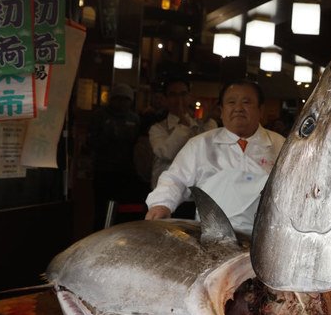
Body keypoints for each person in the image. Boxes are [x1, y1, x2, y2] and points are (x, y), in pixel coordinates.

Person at [145, 79, 285, 235]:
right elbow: (175, 179)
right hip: (212, 237)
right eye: (231, 102)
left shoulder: (282, 146)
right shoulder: (200, 144)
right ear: (222, 110)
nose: (238, 108)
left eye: (246, 102)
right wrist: (161, 205)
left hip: (267, 238)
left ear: (261, 109)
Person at [88, 83, 144, 230]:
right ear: (111, 99)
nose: (121, 102)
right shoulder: (100, 115)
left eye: (126, 99)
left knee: (123, 208)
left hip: (126, 171)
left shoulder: (134, 118)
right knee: (101, 208)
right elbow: (91, 141)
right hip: (103, 170)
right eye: (118, 98)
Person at [148, 76, 218, 189]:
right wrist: (184, 126)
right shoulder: (158, 129)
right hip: (166, 192)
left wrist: (208, 122)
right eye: (173, 95)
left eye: (183, 94)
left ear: (190, 97)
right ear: (165, 99)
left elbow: (210, 152)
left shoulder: (199, 125)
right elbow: (167, 153)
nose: (179, 99)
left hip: (196, 193)